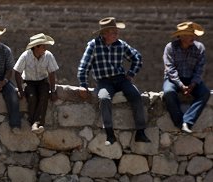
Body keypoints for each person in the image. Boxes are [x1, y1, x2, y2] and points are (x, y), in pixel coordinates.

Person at [77, 17, 150, 145]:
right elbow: (84, 67)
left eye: (117, 32)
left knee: (135, 95)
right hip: (104, 81)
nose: (117, 34)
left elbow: (137, 58)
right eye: (114, 32)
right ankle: (109, 134)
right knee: (104, 98)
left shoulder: (121, 44)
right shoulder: (93, 45)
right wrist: (83, 85)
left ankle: (140, 132)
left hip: (121, 79)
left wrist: (131, 73)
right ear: (104, 34)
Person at [162, 21, 210, 133]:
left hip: (191, 79)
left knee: (205, 93)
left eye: (193, 34)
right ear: (181, 36)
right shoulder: (170, 47)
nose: (192, 36)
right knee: (169, 92)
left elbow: (200, 69)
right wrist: (180, 84)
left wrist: (193, 83)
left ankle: (187, 122)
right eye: (188, 34)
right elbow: (170, 69)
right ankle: (179, 123)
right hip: (173, 79)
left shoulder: (199, 48)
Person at [14, 33, 59, 134]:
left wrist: (53, 90)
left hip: (42, 81)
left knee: (44, 95)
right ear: (36, 47)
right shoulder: (25, 56)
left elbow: (52, 73)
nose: (45, 48)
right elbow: (17, 72)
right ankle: (35, 122)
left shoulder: (48, 55)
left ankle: (36, 122)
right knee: (31, 96)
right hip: (28, 82)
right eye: (43, 46)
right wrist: (20, 90)